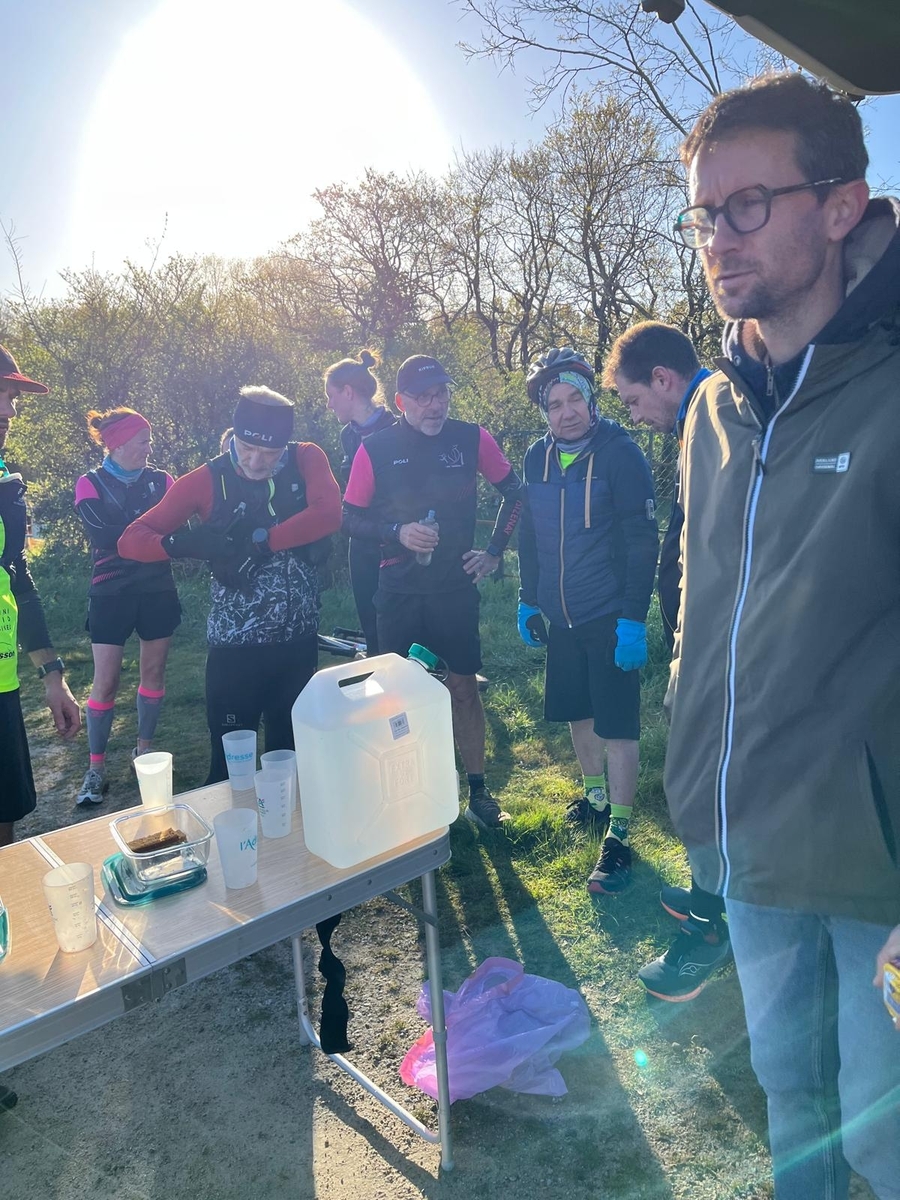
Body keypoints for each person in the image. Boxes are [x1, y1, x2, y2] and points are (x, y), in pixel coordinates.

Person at [665, 72, 900, 1199]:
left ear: (842, 205)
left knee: (881, 1136)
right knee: (787, 1098)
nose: (721, 237)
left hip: (878, 867)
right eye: (706, 213)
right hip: (748, 839)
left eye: (750, 205)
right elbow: (699, 602)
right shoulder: (711, 408)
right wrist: (690, 780)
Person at [119, 386, 341, 784]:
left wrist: (262, 544)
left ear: (285, 444)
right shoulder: (207, 479)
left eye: (269, 453)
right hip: (235, 649)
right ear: (233, 435)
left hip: (297, 642)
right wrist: (183, 544)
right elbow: (130, 540)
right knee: (227, 773)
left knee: (291, 764)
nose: (255, 462)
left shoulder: (306, 458)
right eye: (246, 448)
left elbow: (329, 514)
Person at [342, 354, 524, 829]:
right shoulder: (376, 448)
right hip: (398, 590)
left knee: (463, 687)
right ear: (400, 401)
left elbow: (516, 493)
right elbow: (349, 517)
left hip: (454, 588)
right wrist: (398, 532)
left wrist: (494, 551)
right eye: (422, 397)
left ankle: (479, 793)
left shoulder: (471, 438)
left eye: (441, 393)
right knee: (394, 697)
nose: (435, 405)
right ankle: (403, 797)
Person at [603, 322, 730, 998]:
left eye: (632, 400)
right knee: (703, 785)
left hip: (720, 651)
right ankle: (713, 894)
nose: (634, 416)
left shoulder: (718, 418)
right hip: (701, 640)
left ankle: (708, 931)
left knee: (709, 789)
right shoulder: (698, 423)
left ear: (662, 378)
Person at [517, 348, 658, 895]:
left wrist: (633, 619)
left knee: (617, 725)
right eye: (554, 404)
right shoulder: (536, 458)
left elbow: (642, 543)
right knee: (578, 712)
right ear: (544, 412)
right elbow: (530, 536)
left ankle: (619, 835)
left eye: (574, 399)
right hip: (561, 618)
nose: (566, 412)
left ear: (591, 400)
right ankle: (596, 798)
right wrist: (528, 599)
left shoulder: (621, 454)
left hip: (607, 614)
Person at [74, 408, 180, 805]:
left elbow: (177, 525)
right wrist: (152, 532)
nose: (149, 448)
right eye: (143, 441)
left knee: (154, 672)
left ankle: (144, 752)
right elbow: (103, 536)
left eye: (149, 441)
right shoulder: (90, 483)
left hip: (157, 589)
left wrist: (150, 534)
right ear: (118, 444)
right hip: (110, 592)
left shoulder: (162, 480)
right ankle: (96, 769)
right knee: (105, 681)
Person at [0, 346, 81, 848]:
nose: (8, 411)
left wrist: (53, 676)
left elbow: (18, 581)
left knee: (5, 824)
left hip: (2, 681)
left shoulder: (4, 481)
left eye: (12, 397)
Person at [324, 350, 396, 655]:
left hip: (396, 538)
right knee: (370, 621)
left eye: (331, 396)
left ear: (348, 392)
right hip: (361, 538)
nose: (329, 404)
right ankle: (378, 673)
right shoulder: (348, 436)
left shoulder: (398, 428)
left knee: (397, 621)